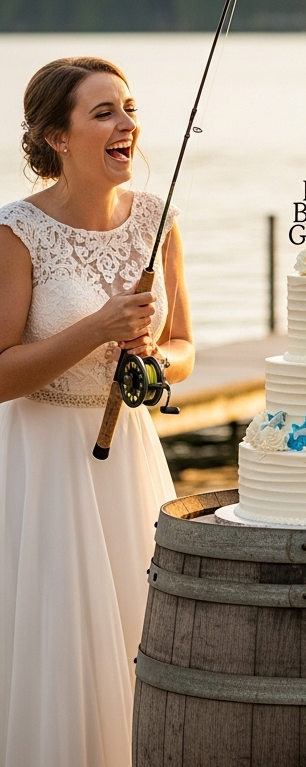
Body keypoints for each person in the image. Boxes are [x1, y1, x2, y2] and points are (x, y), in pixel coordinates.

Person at [0, 57, 193, 765]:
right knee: (62, 642)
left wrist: (152, 364)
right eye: (104, 112)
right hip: (44, 463)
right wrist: (97, 330)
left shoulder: (158, 217)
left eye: (129, 108)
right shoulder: (15, 232)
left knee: (147, 634)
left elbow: (185, 345)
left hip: (130, 459)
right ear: (57, 136)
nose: (127, 126)